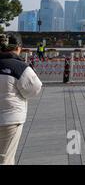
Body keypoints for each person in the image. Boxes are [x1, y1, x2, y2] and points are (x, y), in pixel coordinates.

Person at [0, 34, 42, 165]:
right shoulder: (20, 67)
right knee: (5, 158)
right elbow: (35, 89)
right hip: (10, 120)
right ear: (18, 48)